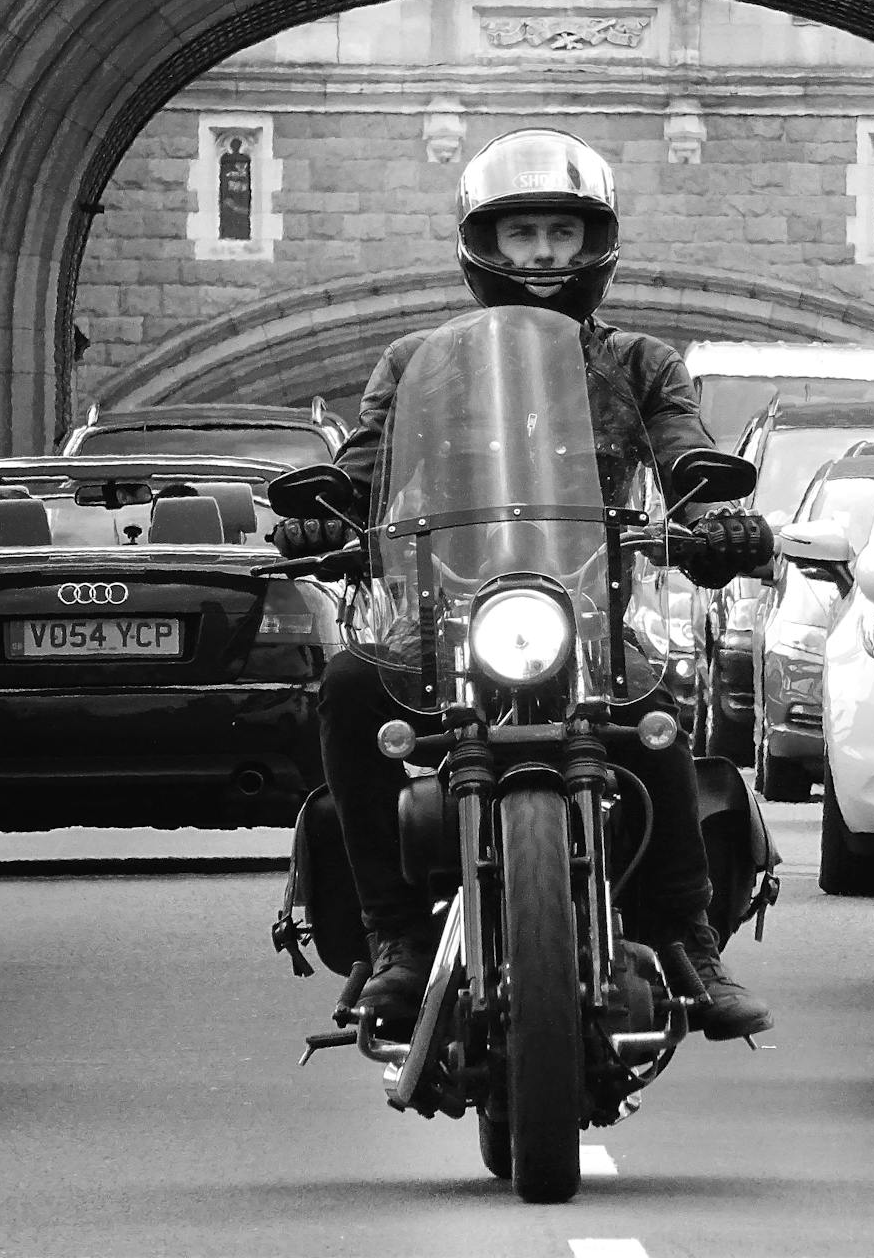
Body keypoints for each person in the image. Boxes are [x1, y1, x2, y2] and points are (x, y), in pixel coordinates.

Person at [271, 129, 775, 1041]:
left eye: (562, 233)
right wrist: (325, 509)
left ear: (595, 244)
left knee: (659, 705)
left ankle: (688, 938)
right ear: (484, 246)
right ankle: (392, 941)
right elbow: (367, 459)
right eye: (522, 234)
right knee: (348, 687)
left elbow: (684, 449)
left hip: (588, 611)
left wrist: (711, 517)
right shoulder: (417, 359)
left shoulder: (641, 363)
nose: (544, 253)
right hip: (440, 615)